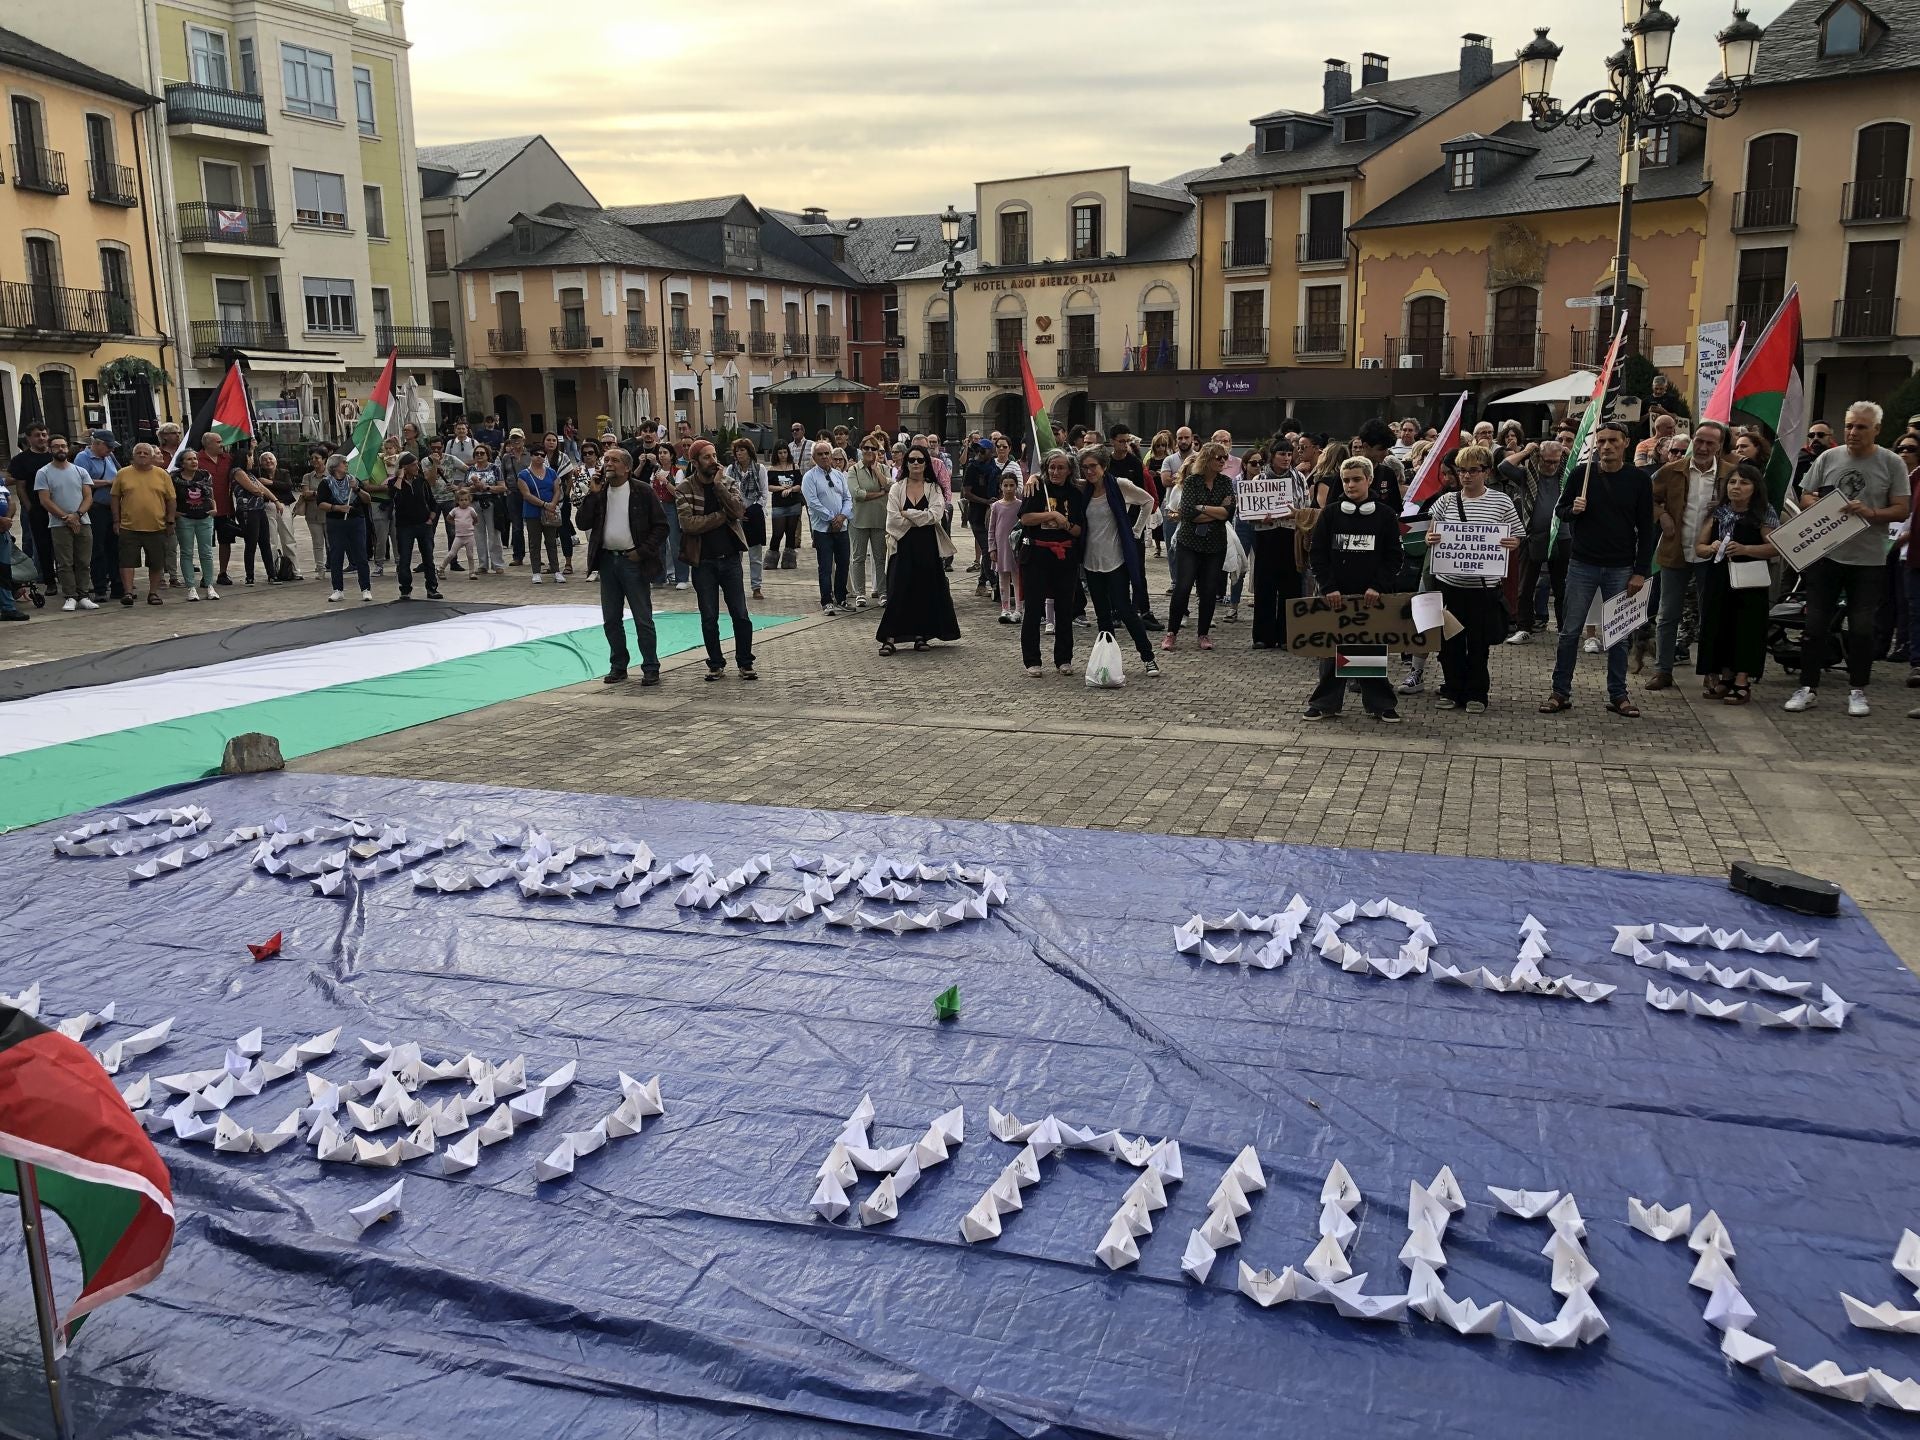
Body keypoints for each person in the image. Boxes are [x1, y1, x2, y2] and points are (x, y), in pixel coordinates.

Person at [1785, 400, 1912, 716]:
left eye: (1861, 427)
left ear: (1877, 430)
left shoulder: (1892, 463)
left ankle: (1857, 690)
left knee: (1861, 628)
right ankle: (1807, 687)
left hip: (1868, 559)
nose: (1853, 432)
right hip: (1827, 555)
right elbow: (1805, 494)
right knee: (1814, 625)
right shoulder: (1828, 456)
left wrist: (1870, 512)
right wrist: (1818, 502)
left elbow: (1902, 508)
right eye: (1850, 426)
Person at [1541, 420, 1656, 718]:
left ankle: (1618, 694)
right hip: (1582, 564)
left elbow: (1646, 529)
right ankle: (1560, 691)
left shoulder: (1639, 480)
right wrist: (1573, 510)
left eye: (1613, 441)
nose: (1606, 446)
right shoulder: (1582, 473)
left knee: (1617, 636)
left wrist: (1640, 571)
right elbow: (1561, 511)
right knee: (1569, 632)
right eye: (1601, 441)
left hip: (1621, 567)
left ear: (1626, 443)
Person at [1304, 457, 1402, 723]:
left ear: (1369, 480)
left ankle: (1380, 703)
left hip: (1370, 598)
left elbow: (1393, 557)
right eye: (1346, 480)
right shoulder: (1331, 513)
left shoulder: (1385, 516)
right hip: (1335, 597)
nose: (1350, 485)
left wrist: (1377, 587)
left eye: (1356, 479)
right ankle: (1325, 703)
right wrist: (1329, 588)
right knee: (1331, 652)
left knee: (1368, 651)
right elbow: (1318, 554)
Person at [1427, 444, 1524, 711]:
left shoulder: (1501, 501)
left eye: (1473, 470)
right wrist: (1430, 538)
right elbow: (1430, 533)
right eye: (1462, 471)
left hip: (1483, 588)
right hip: (1450, 586)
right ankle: (1451, 689)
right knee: (1449, 643)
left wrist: (1511, 543)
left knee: (1478, 644)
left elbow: (1517, 534)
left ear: (1487, 472)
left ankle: (1476, 694)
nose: (1466, 476)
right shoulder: (1446, 501)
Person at [1647, 421, 1733, 690]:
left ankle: (1710, 670)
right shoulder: (1671, 471)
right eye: (1700, 441)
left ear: (1720, 446)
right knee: (1667, 614)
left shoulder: (1731, 474)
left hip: (1712, 554)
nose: (1704, 447)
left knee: (1712, 614)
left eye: (1710, 443)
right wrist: (1661, 516)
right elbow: (1648, 499)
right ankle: (1663, 670)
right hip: (1676, 550)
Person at [577, 445, 669, 685]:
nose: (608, 463)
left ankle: (650, 666)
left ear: (627, 467)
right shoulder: (600, 491)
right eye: (606, 459)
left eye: (614, 460)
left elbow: (661, 527)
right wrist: (592, 494)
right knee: (611, 619)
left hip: (633, 562)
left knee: (642, 618)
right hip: (607, 561)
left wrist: (642, 552)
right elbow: (582, 521)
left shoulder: (642, 491)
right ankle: (618, 665)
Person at [1694, 463, 1778, 705]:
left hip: (1749, 581)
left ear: (1755, 488)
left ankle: (1742, 680)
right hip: (1720, 578)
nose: (1736, 487)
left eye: (1744, 483)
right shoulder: (1718, 512)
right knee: (1720, 626)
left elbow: (1776, 547)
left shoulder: (1763, 513)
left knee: (1746, 628)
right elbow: (1699, 548)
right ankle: (1725, 676)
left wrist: (1746, 549)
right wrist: (1710, 547)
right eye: (1732, 482)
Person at [1077, 445, 1160, 676]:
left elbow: (1148, 501)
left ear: (1103, 466)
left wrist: (1135, 530)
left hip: (1116, 560)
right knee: (1102, 615)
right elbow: (1053, 478)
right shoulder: (1083, 488)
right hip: (1091, 561)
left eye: (1093, 466)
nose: (1089, 471)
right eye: (1084, 467)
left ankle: (1148, 657)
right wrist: (1034, 476)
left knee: (1125, 610)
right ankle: (1108, 663)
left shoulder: (1120, 485)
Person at [677, 440, 756, 681]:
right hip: (703, 562)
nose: (713, 461)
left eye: (714, 456)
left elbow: (739, 510)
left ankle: (745, 662)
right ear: (695, 462)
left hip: (730, 559)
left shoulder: (728, 482)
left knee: (740, 614)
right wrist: (721, 516)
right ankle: (715, 663)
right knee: (709, 616)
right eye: (707, 457)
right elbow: (688, 524)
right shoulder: (684, 489)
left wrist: (719, 486)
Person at [876, 443, 959, 654]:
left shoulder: (934, 488)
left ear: (926, 464)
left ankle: (922, 635)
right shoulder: (897, 488)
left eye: (920, 460)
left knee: (924, 590)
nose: (915, 463)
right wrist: (917, 515)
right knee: (897, 589)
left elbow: (935, 515)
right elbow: (893, 520)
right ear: (906, 463)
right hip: (902, 544)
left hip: (927, 546)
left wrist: (908, 513)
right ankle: (890, 638)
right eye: (911, 460)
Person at [1017, 449, 1087, 675]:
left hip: (1064, 557)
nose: (1055, 472)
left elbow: (1078, 530)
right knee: (1034, 608)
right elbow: (1026, 518)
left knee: (1065, 609)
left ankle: (1064, 659)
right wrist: (1051, 516)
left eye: (1060, 468)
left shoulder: (1075, 493)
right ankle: (1032, 660)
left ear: (1069, 470)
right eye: (1051, 467)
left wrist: (1064, 523)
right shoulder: (1036, 486)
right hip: (1036, 555)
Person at [1162, 441, 1236, 652]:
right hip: (1189, 542)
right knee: (1183, 587)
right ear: (1207, 459)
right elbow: (1187, 513)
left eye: (1225, 458)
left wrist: (1202, 508)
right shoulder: (1193, 481)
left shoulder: (1225, 482)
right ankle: (1171, 632)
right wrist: (1215, 510)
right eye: (1218, 458)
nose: (1223, 461)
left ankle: (1203, 633)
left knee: (1209, 589)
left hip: (1215, 544)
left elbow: (1228, 513)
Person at [1495, 437, 1563, 643]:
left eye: (1555, 461)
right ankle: (1524, 627)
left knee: (1562, 587)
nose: (1550, 466)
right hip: (1531, 534)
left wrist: (1569, 452)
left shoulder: (1567, 475)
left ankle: (1564, 627)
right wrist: (1526, 452)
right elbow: (1503, 466)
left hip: (1562, 535)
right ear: (1538, 458)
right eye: (1546, 461)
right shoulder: (1527, 475)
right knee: (1525, 585)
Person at [1251, 435, 1308, 648]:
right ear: (1272, 457)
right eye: (1281, 454)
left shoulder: (1299, 478)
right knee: (1265, 585)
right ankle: (1263, 636)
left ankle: (1287, 636)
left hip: (1290, 534)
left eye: (1289, 454)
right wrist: (1261, 516)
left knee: (1290, 585)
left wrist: (1296, 514)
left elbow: (1306, 506)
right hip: (1267, 534)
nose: (1286, 458)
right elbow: (1247, 512)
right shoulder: (1260, 480)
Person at [33, 437, 96, 610]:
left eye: (63, 446)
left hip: (83, 522)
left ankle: (83, 594)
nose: (60, 449)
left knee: (83, 561)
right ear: (50, 449)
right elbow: (45, 500)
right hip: (59, 524)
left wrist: (77, 514)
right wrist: (67, 518)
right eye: (56, 446)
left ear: (67, 448)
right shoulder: (43, 472)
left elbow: (88, 496)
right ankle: (70, 595)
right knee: (64, 562)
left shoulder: (80, 470)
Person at [109, 441, 175, 606]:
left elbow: (171, 499)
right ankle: (128, 593)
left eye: (146, 453)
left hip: (156, 526)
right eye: (139, 453)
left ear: (152, 456)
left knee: (156, 562)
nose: (143, 455)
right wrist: (116, 520)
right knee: (126, 561)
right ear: (133, 456)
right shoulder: (123, 473)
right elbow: (115, 497)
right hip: (129, 526)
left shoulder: (162, 474)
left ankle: (153, 593)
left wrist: (170, 520)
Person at [802, 438, 852, 615]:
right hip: (823, 529)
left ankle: (841, 597)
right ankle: (826, 601)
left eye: (826, 453)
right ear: (814, 457)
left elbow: (848, 498)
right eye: (820, 454)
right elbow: (813, 503)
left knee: (844, 563)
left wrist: (842, 516)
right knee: (825, 566)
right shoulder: (809, 477)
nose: (824, 457)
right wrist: (832, 519)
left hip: (842, 527)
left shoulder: (838, 475)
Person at [318, 454, 373, 601]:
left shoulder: (353, 480)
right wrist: (337, 508)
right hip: (336, 523)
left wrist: (357, 489)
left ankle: (366, 588)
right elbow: (321, 504)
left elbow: (367, 499)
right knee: (336, 555)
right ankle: (338, 589)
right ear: (335, 466)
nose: (347, 465)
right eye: (344, 463)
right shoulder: (326, 483)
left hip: (356, 521)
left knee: (361, 555)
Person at [388, 452, 442, 600]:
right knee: (404, 558)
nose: (416, 467)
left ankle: (432, 588)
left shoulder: (421, 481)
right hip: (405, 526)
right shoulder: (394, 482)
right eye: (413, 465)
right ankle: (405, 589)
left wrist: (431, 517)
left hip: (423, 524)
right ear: (404, 467)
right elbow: (392, 495)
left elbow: (431, 501)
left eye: (416, 464)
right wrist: (400, 477)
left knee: (428, 558)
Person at [75, 430, 119, 599]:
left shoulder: (109, 457)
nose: (111, 450)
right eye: (108, 447)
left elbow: (119, 473)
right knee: (98, 548)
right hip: (96, 508)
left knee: (114, 547)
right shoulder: (82, 458)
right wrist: (108, 483)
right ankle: (100, 587)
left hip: (112, 507)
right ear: (97, 443)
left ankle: (117, 586)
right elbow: (83, 481)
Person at [848, 436, 891, 609]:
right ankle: (859, 593)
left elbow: (890, 487)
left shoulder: (884, 468)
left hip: (880, 519)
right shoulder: (854, 470)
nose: (870, 452)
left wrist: (877, 471)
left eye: (874, 449)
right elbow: (857, 494)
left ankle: (882, 592)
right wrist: (880, 494)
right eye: (866, 448)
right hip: (859, 520)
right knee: (858, 558)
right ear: (861, 450)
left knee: (880, 558)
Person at [727, 438, 770, 599]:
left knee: (755, 554)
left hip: (754, 514)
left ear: (749, 452)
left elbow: (764, 494)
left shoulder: (759, 469)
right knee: (735, 553)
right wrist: (737, 511)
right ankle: (735, 585)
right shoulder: (731, 470)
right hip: (736, 515)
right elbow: (726, 491)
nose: (739, 453)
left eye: (742, 450)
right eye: (737, 450)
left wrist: (751, 510)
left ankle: (756, 586)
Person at [173, 448, 218, 601]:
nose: (194, 461)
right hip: (185, 518)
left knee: (206, 552)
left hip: (204, 517)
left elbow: (211, 493)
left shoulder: (204, 475)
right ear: (182, 463)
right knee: (187, 552)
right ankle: (191, 587)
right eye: (189, 459)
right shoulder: (174, 477)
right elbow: (170, 497)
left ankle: (209, 585)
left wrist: (214, 508)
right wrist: (174, 513)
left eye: (195, 459)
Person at [518, 443, 564, 584]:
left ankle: (556, 570)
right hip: (532, 512)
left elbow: (557, 490)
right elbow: (526, 494)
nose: (539, 457)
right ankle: (536, 572)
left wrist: (552, 506)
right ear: (531, 456)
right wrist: (544, 504)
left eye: (542, 455)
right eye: (536, 454)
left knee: (551, 541)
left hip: (549, 512)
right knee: (534, 543)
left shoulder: (551, 472)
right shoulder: (523, 475)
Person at [230, 450, 276, 584]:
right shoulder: (237, 472)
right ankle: (249, 576)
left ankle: (271, 574)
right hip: (247, 511)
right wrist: (259, 490)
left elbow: (262, 488)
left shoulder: (250, 474)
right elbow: (254, 489)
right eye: (250, 457)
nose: (252, 461)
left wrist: (276, 501)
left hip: (259, 509)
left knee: (265, 542)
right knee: (251, 543)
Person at [962, 437, 1002, 591]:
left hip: (993, 514)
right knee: (986, 548)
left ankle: (981, 584)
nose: (979, 452)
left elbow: (1000, 489)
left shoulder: (994, 469)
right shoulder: (972, 467)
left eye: (982, 450)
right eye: (977, 449)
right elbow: (967, 493)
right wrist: (986, 501)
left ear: (990, 452)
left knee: (991, 547)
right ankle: (993, 582)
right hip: (977, 515)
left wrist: (996, 501)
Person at [466, 443, 506, 574]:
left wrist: (487, 487)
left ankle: (497, 564)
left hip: (491, 502)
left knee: (494, 533)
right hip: (475, 503)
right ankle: (482, 564)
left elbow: (502, 487)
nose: (479, 455)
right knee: (478, 534)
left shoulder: (494, 468)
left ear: (487, 455)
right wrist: (471, 488)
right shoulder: (470, 470)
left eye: (482, 453)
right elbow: (464, 488)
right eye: (477, 453)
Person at [989, 471, 1022, 623]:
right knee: (1002, 578)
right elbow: (992, 528)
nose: (1009, 489)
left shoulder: (1020, 505)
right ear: (1001, 487)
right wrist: (992, 548)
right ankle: (1005, 608)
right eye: (1006, 485)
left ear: (1016, 486)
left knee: (1017, 578)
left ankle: (1018, 609)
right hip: (1001, 547)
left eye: (1012, 485)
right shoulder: (996, 506)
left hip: (1016, 547)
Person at [259, 450, 299, 579]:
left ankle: (294, 569)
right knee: (271, 540)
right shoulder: (258, 473)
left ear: (275, 461)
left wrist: (270, 483)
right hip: (266, 507)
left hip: (283, 507)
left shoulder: (283, 473)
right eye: (265, 459)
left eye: (270, 458)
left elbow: (287, 486)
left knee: (288, 538)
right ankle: (273, 571)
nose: (268, 461)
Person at [766, 442, 804, 571]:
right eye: (780, 452)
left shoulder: (794, 466)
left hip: (793, 503)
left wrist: (792, 489)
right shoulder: (772, 469)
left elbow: (799, 485)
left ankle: (789, 559)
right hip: (779, 504)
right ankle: (772, 556)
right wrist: (781, 488)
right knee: (777, 532)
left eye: (785, 452)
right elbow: (769, 487)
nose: (783, 455)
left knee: (791, 532)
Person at [447, 488, 481, 579]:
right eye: (461, 500)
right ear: (458, 501)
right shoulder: (455, 510)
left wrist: (473, 524)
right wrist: (455, 523)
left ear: (469, 500)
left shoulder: (471, 510)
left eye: (466, 500)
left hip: (469, 536)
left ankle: (472, 572)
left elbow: (476, 518)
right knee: (451, 553)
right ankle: (441, 568)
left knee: (470, 555)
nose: (464, 502)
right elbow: (448, 518)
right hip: (459, 536)